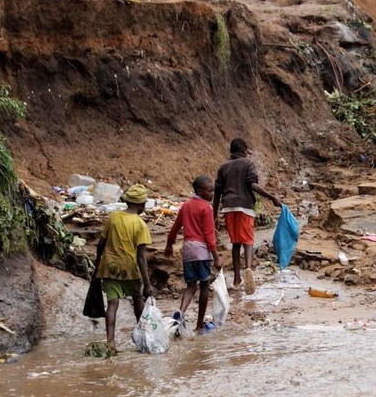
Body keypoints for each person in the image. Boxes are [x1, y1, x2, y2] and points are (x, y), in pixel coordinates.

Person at [213, 137, 282, 294]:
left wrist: (214, 214)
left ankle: (237, 279)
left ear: (231, 151)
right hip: (245, 206)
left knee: (236, 243)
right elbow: (253, 185)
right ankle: (249, 269)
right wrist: (272, 197)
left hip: (228, 207)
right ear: (244, 150)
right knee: (248, 240)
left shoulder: (223, 167)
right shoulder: (248, 164)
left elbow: (217, 192)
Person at [94, 183, 154, 350]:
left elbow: (101, 243)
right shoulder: (140, 224)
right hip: (129, 268)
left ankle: (110, 342)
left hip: (109, 266)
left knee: (112, 304)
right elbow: (141, 257)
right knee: (138, 300)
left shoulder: (113, 217)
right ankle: (143, 336)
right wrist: (147, 284)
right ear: (141, 205)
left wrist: (97, 261)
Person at [164, 175, 223, 331]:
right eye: (210, 191)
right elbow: (209, 236)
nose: (212, 194)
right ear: (200, 191)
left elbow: (175, 228)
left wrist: (169, 245)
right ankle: (198, 325)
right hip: (202, 251)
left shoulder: (186, 206)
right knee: (204, 285)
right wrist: (216, 257)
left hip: (188, 249)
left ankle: (180, 314)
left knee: (190, 286)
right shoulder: (206, 208)